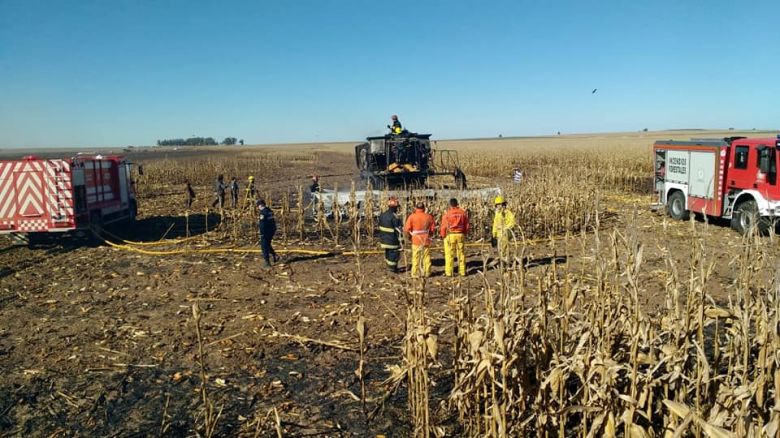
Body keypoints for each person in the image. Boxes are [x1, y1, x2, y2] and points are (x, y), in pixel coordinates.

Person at [404, 201, 436, 278]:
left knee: (415, 257)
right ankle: (427, 272)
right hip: (425, 239)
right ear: (424, 208)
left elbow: (406, 229)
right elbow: (432, 229)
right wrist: (429, 235)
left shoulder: (412, 217)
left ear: (415, 208)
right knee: (426, 256)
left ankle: (415, 273)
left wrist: (409, 237)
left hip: (415, 239)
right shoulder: (429, 217)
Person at [440, 198, 469, 277]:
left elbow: (444, 226)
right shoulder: (463, 213)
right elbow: (467, 225)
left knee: (449, 254)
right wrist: (465, 233)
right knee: (461, 254)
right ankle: (462, 272)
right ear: (457, 204)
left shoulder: (447, 214)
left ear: (450, 205)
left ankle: (449, 272)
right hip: (460, 234)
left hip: (450, 235)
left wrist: (443, 235)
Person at [378, 197, 403, 273]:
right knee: (393, 255)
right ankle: (393, 269)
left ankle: (389, 267)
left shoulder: (382, 215)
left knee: (387, 253)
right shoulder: (395, 217)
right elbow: (398, 231)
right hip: (393, 241)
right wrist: (402, 242)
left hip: (384, 240)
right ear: (395, 207)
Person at [491, 195, 516, 263]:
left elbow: (513, 222)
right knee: (500, 249)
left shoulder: (507, 212)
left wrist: (506, 228)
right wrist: (494, 233)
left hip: (505, 234)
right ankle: (503, 261)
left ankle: (505, 262)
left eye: (500, 204)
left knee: (504, 248)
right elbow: (495, 224)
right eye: (497, 205)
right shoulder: (498, 214)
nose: (499, 206)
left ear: (504, 205)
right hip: (499, 234)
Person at [257, 199, 279, 268]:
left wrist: (262, 233)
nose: (258, 207)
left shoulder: (263, 213)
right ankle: (274, 255)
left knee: (264, 246)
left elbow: (262, 224)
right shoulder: (269, 211)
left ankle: (267, 262)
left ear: (260, 205)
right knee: (268, 244)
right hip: (272, 230)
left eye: (258, 206)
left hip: (265, 231)